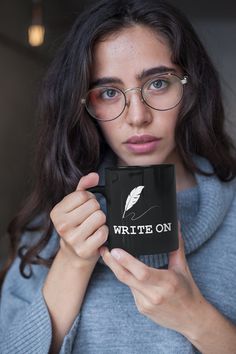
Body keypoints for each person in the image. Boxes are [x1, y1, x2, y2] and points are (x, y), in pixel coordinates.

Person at [1, 0, 236, 353]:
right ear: (85, 105)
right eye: (109, 93)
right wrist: (72, 262)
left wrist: (196, 318)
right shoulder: (50, 227)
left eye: (158, 83)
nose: (137, 116)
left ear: (190, 87)